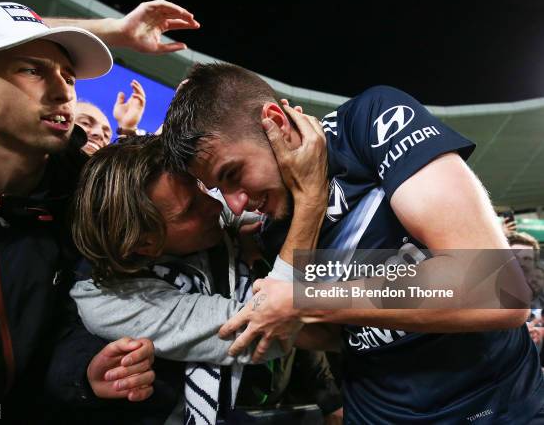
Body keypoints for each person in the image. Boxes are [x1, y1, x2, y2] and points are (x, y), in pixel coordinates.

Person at [162, 62, 543, 423]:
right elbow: (344, 333)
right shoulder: (272, 230)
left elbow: (496, 289)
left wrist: (302, 301)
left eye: (233, 174)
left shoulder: (370, 121)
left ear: (275, 123)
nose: (235, 202)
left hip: (496, 404)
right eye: (219, 189)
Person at [0, 0, 198, 419]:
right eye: (32, 70)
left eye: (68, 75)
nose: (63, 92)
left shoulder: (86, 192)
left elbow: (79, 317)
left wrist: (85, 372)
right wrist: (114, 29)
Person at [70, 135, 343, 424]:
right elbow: (271, 329)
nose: (216, 206)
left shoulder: (210, 223)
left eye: (200, 187)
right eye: (190, 210)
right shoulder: (110, 302)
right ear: (144, 244)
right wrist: (311, 201)